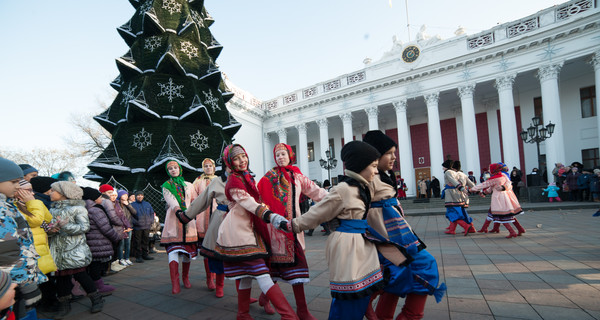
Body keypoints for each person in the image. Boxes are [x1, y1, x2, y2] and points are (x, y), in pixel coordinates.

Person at [290, 141, 386, 320]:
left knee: (363, 291)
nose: (376, 171)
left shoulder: (362, 187)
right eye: (373, 166)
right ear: (360, 165)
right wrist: (293, 224)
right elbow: (317, 213)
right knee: (348, 295)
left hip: (361, 243)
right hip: (348, 246)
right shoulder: (343, 189)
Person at [363, 131, 446, 320]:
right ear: (375, 154)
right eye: (389, 153)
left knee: (397, 276)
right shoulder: (369, 178)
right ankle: (410, 315)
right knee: (425, 265)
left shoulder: (384, 175)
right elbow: (351, 203)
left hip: (399, 236)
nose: (394, 157)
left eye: (394, 152)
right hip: (386, 239)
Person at [212, 144, 296, 319]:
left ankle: (242, 313)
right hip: (237, 232)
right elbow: (249, 202)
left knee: (246, 275)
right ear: (230, 162)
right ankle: (289, 315)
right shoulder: (234, 181)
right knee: (261, 273)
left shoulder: (245, 177)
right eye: (236, 158)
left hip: (248, 229)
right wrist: (271, 216)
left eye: (243, 156)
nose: (242, 160)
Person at [258, 143, 328, 320]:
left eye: (283, 154)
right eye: (277, 155)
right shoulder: (269, 177)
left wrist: (337, 199)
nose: (280, 157)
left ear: (290, 156)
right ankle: (265, 298)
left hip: (294, 229)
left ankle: (302, 310)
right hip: (274, 230)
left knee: (297, 268)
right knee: (274, 268)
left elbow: (315, 191)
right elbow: (258, 196)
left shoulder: (297, 176)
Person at [0, 159, 47, 320]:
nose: (18, 186)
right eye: (13, 182)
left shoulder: (7, 204)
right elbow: (8, 251)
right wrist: (25, 283)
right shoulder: (3, 209)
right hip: (10, 280)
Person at [48, 181, 103, 317]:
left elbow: (84, 227)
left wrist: (64, 227)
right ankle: (64, 304)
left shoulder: (79, 208)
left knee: (81, 275)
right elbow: (49, 228)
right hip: (58, 250)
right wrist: (51, 230)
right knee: (61, 278)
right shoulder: (52, 209)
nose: (50, 192)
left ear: (64, 194)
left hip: (74, 249)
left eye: (53, 190)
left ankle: (96, 298)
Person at [15, 179, 58, 314]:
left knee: (47, 283)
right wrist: (32, 203)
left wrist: (52, 227)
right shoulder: (13, 207)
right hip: (26, 253)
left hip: (42, 250)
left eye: (32, 190)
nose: (32, 193)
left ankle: (50, 307)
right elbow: (35, 221)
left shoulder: (36, 203)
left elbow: (47, 220)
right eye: (28, 191)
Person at [160, 160, 198, 295]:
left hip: (189, 221)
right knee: (173, 251)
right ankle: (175, 283)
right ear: (168, 171)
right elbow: (171, 201)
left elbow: (194, 201)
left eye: (175, 167)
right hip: (173, 221)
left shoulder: (189, 185)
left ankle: (185, 277)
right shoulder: (166, 185)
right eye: (170, 169)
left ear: (180, 169)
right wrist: (179, 212)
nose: (173, 170)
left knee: (187, 251)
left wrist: (192, 213)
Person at [81, 187, 124, 296]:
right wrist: (116, 237)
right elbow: (106, 228)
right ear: (94, 199)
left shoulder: (84, 207)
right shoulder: (95, 209)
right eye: (99, 197)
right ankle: (98, 287)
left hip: (91, 241)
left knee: (92, 265)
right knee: (96, 265)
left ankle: (96, 285)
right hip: (98, 241)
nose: (101, 199)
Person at [470, 163, 525, 238]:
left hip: (499, 198)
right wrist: (485, 193)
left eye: (490, 169)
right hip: (506, 196)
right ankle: (520, 228)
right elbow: (497, 186)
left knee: (501, 216)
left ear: (494, 170)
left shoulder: (495, 178)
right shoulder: (503, 175)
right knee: (508, 215)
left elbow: (483, 185)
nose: (489, 170)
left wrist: (471, 190)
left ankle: (512, 232)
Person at [191, 158, 218, 291]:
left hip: (216, 216)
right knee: (206, 250)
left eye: (210, 166)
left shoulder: (219, 180)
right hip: (202, 218)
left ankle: (215, 274)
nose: (208, 168)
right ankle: (209, 278)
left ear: (214, 167)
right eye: (205, 166)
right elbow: (193, 199)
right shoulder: (198, 181)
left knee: (217, 249)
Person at [442, 160, 473, 235]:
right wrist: (477, 191)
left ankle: (466, 226)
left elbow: (453, 181)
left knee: (453, 212)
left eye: (443, 166)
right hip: (458, 194)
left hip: (451, 194)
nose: (442, 168)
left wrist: (461, 188)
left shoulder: (448, 172)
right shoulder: (456, 173)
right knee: (458, 211)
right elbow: (469, 183)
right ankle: (453, 229)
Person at [129, 191, 155, 263]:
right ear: (136, 196)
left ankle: (145, 255)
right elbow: (130, 216)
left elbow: (152, 213)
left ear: (143, 196)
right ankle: (138, 256)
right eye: (138, 195)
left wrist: (151, 221)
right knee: (137, 242)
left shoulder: (147, 204)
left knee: (145, 241)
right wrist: (135, 222)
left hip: (147, 226)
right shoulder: (132, 205)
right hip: (137, 227)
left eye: (141, 195)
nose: (140, 196)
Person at [116, 190, 135, 266]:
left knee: (128, 243)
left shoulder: (128, 204)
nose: (126, 196)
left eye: (126, 195)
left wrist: (128, 205)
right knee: (121, 244)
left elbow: (135, 213)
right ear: (120, 196)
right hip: (121, 227)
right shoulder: (117, 205)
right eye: (124, 195)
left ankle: (127, 258)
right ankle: (121, 259)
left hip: (129, 226)